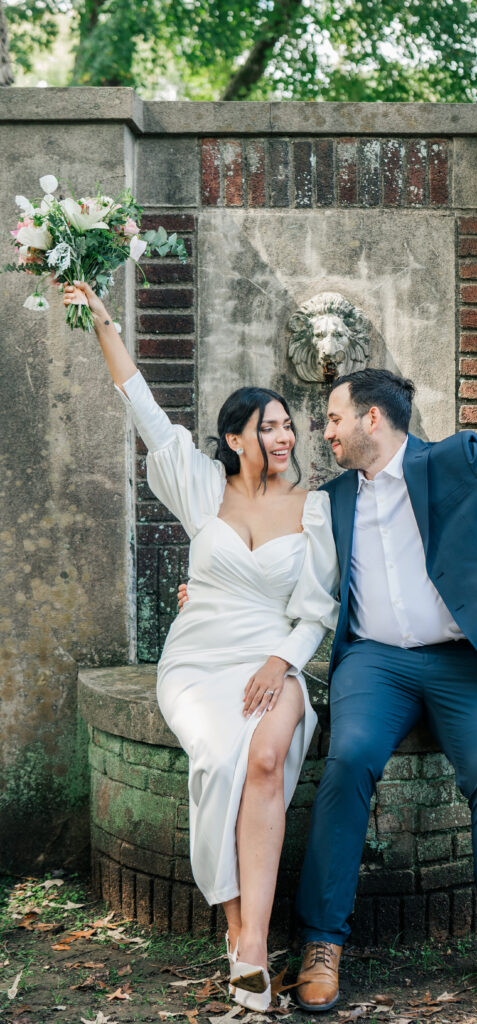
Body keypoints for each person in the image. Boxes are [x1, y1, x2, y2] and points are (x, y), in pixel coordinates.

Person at [291, 330, 477, 1008]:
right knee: (348, 762)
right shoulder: (334, 498)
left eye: (335, 418)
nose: (326, 431)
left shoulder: (457, 461)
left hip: (461, 660)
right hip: (374, 661)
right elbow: (289, 572)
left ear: (372, 417)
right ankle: (321, 943)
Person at [63, 281, 340, 1012]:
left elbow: (317, 609)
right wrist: (104, 321)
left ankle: (250, 944)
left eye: (288, 426)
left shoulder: (314, 509)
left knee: (267, 756)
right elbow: (143, 407)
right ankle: (245, 940)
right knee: (219, 757)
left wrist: (282, 662)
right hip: (197, 659)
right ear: (236, 438)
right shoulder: (199, 486)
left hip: (274, 655)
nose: (285, 437)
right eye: (269, 427)